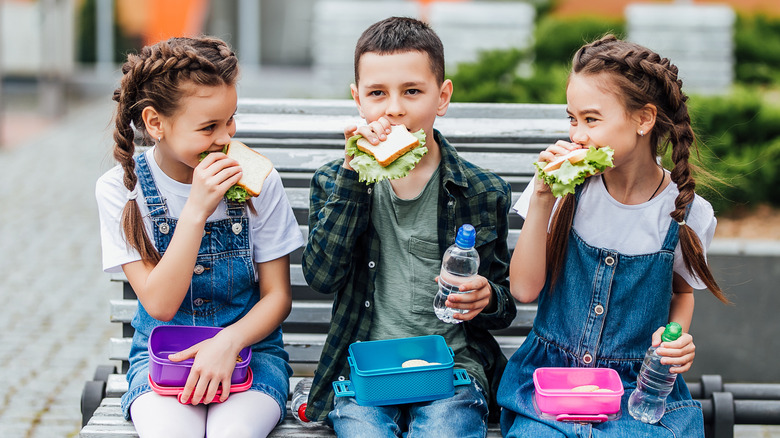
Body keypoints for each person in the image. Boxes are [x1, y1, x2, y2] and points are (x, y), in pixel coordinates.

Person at [497, 34, 731, 437]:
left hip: (635, 389)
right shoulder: (560, 187)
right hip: (553, 384)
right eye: (572, 119)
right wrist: (540, 198)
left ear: (643, 120)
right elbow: (523, 289)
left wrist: (674, 340)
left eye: (591, 119)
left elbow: (681, 293)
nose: (577, 135)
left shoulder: (687, 213)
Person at [301, 16, 517, 437]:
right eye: (377, 93)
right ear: (358, 99)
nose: (394, 108)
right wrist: (352, 173)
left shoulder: (482, 191)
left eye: (412, 91)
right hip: (366, 370)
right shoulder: (334, 180)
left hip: (452, 369)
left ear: (443, 96)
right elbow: (322, 278)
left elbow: (503, 307)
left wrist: (486, 297)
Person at [95, 36, 304, 438]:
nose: (226, 137)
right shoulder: (121, 189)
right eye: (209, 127)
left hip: (249, 353)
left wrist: (229, 342)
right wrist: (196, 211)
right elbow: (158, 303)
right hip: (163, 356)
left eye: (230, 119)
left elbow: (278, 297)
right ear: (156, 124)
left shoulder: (260, 182)